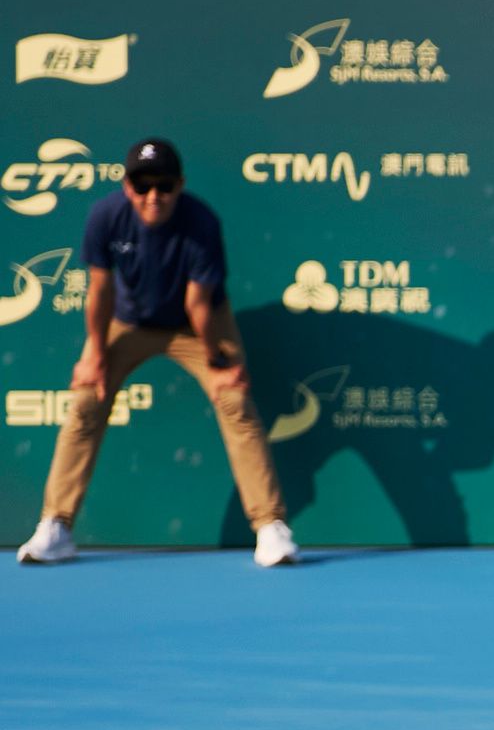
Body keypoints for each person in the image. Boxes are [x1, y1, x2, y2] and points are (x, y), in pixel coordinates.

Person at [17, 138, 299, 568]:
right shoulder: (105, 216)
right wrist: (94, 353)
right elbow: (100, 292)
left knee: (235, 400)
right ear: (127, 187)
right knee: (86, 400)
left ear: (179, 185)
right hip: (129, 323)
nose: (153, 196)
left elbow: (198, 305)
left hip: (197, 325)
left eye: (164, 186)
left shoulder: (201, 222)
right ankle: (56, 526)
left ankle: (270, 526)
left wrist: (218, 362)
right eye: (142, 186)